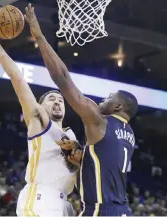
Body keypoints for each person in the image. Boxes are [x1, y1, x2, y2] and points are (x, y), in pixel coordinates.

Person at [24, 4, 138, 216]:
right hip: (123, 210)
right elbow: (106, 162)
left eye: (108, 98)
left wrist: (40, 37)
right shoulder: (129, 135)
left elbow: (63, 78)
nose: (102, 100)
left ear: (118, 106)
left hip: (100, 211)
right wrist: (83, 153)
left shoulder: (100, 121)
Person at [0, 16, 80, 216]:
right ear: (40, 106)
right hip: (40, 198)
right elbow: (17, 78)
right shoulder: (39, 121)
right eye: (51, 99)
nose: (57, 101)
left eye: (60, 100)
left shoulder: (72, 137)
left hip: (64, 203)